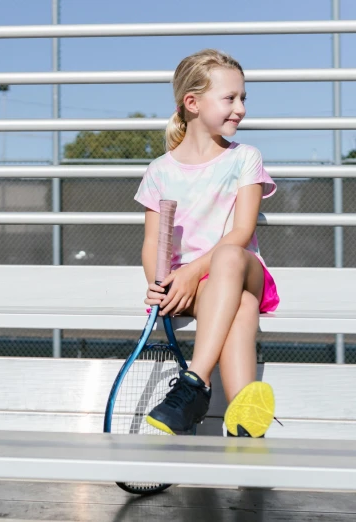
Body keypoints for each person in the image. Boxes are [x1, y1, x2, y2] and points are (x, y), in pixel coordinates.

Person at [134, 49, 280, 438]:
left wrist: (191, 273)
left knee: (231, 255)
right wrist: (160, 283)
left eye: (243, 98)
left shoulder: (246, 158)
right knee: (241, 308)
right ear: (193, 102)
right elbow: (152, 243)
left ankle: (195, 381)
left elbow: (242, 232)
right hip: (196, 288)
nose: (241, 108)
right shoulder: (159, 171)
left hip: (243, 270)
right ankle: (245, 426)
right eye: (230, 98)